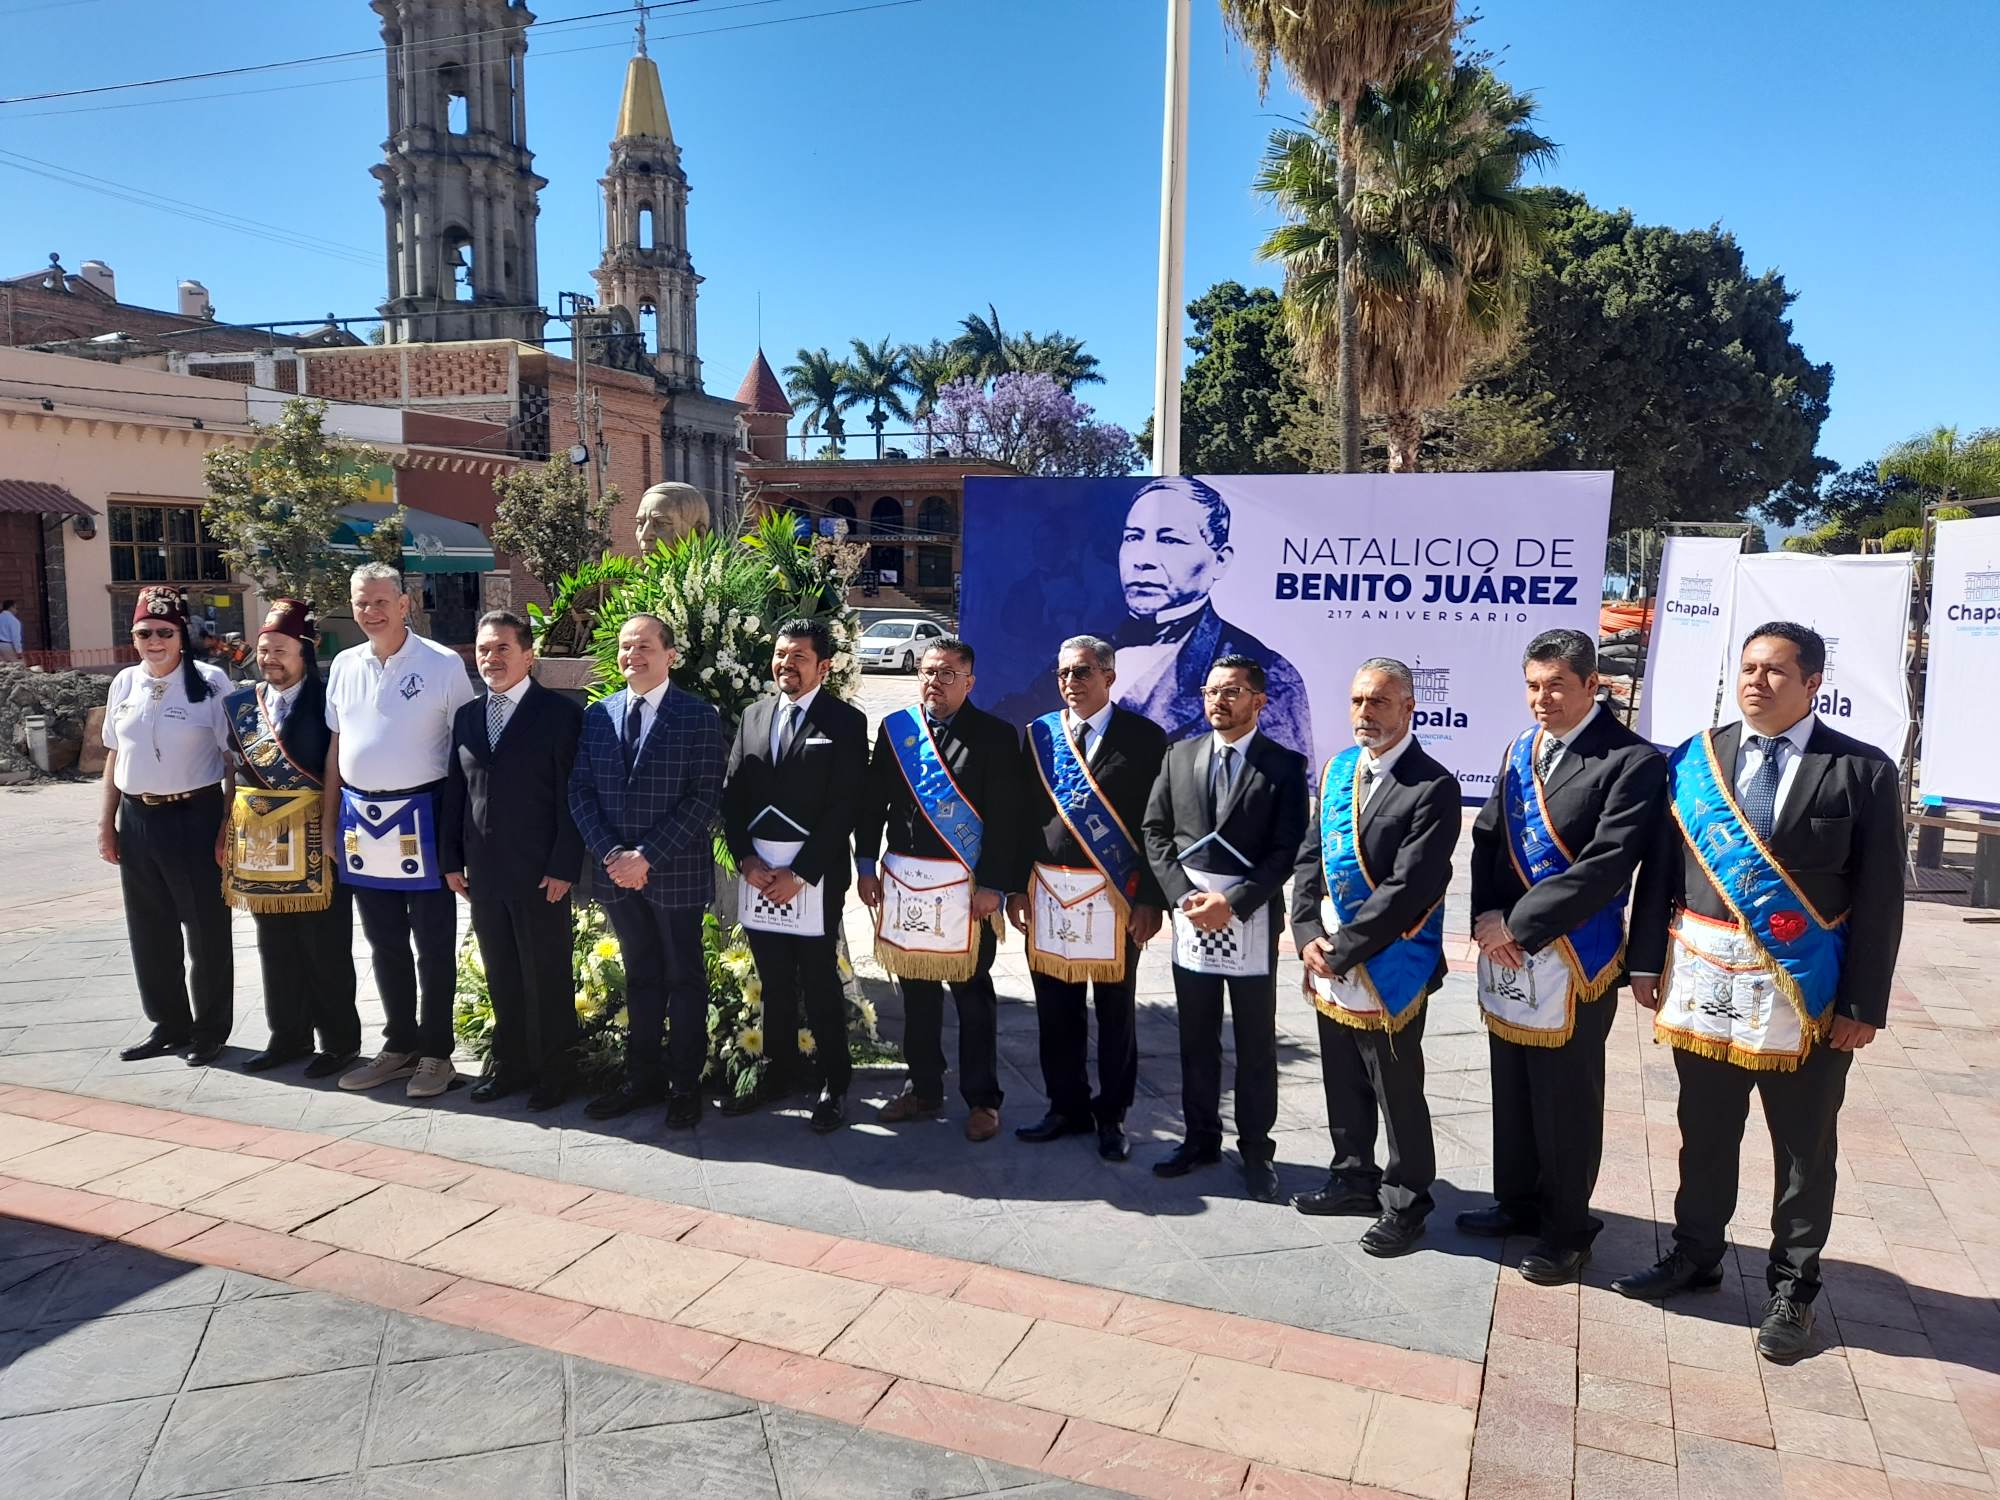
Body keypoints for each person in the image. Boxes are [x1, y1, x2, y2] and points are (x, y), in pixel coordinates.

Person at [1616, 622, 1904, 1363]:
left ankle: (1793, 1287)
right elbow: (1660, 871)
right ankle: (1695, 1254)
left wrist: (1864, 1005)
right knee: (1704, 1133)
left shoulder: (1862, 770)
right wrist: (1645, 962)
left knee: (1804, 1149)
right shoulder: (1695, 761)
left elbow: (1878, 899)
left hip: (1806, 996)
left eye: (1776, 672)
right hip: (1706, 984)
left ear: (1812, 684)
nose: (1757, 682)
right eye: (1748, 668)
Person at [1461, 629, 1666, 1284]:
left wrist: (1518, 925)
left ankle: (1568, 1229)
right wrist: (1485, 921)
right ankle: (1516, 1202)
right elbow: (1489, 838)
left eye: (1555, 685)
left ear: (1590, 686)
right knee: (1512, 1083)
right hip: (1509, 950)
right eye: (1532, 685)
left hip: (1575, 952)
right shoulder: (1521, 748)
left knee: (1564, 1098)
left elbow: (1607, 866)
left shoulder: (1631, 761)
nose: (1541, 698)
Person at [1289, 657, 1460, 1257]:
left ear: (1409, 709)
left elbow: (1411, 886)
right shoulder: (1339, 770)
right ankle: (1351, 1177)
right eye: (1359, 700)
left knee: (1396, 1089)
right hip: (1328, 956)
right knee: (1341, 1076)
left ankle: (1407, 1201)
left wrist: (1345, 950)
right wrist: (1306, 928)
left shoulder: (1433, 785)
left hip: (1390, 962)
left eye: (1380, 702)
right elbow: (1310, 858)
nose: (1365, 712)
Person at [1142, 654, 1309, 1202]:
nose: (1219, 701)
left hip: (1250, 923)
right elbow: (1156, 832)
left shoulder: (1283, 766)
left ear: (1258, 701)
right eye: (1212, 691)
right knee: (1195, 1039)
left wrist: (1233, 902)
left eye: (1232, 692)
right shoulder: (1178, 755)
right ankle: (1199, 1139)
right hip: (1191, 922)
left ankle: (1257, 1151)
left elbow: (1287, 849)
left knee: (1255, 1044)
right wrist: (1181, 897)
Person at [855, 636, 1022, 1142]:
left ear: (969, 682)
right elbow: (872, 804)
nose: (934, 681)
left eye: (947, 674)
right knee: (918, 996)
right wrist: (865, 865)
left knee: (973, 997)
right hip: (907, 888)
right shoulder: (897, 730)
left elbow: (1007, 822)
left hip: (966, 891)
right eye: (928, 672)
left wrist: (995, 885)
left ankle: (982, 1099)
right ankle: (923, 1087)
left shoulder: (994, 736)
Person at [1008, 635, 1167, 1162]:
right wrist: (1016, 887)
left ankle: (1113, 1116)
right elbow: (1023, 816)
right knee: (1055, 1010)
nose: (1070, 683)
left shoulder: (1145, 739)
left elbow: (1156, 827)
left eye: (1081, 673)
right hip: (1051, 893)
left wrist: (1151, 901)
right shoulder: (1039, 737)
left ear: (1109, 677)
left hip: (1116, 898)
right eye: (1062, 674)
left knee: (1116, 1013)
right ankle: (1065, 1106)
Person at [323, 562, 478, 1099]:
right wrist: (327, 827)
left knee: (433, 944)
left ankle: (437, 1052)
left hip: (425, 815)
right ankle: (399, 1044)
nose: (371, 612)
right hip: (361, 821)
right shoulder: (344, 664)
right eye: (362, 603)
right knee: (383, 941)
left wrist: (458, 838)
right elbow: (336, 747)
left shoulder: (441, 665)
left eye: (381, 602)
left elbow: (465, 752)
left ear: (405, 603)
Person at [570, 614, 726, 1129]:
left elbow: (705, 798)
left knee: (684, 978)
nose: (632, 656)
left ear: (670, 656)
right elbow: (581, 791)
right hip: (616, 875)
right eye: (624, 647)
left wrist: (648, 856)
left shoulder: (697, 715)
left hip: (674, 872)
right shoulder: (598, 716)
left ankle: (684, 1086)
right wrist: (613, 854)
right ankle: (641, 1081)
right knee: (640, 978)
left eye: (644, 647)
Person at [720, 617, 869, 1132]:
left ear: (823, 667)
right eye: (781, 655)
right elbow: (732, 796)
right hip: (760, 877)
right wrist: (745, 858)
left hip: (814, 880)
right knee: (774, 981)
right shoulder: (753, 716)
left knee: (820, 981)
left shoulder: (845, 722)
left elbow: (844, 807)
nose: (787, 664)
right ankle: (776, 1071)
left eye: (799, 657)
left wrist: (800, 873)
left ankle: (834, 1082)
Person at [441, 610, 585, 1112]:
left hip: (542, 871)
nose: (491, 658)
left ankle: (555, 1071)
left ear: (529, 655)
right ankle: (512, 1065)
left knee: (546, 972)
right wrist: (451, 858)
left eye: (502, 648)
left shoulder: (561, 714)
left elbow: (574, 796)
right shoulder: (467, 716)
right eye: (483, 649)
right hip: (485, 871)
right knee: (501, 970)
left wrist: (565, 864)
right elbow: (456, 792)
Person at [97, 586, 235, 1065]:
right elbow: (115, 754)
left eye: (164, 632)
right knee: (149, 929)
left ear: (182, 635)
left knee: (205, 928)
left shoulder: (212, 682)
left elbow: (232, 759)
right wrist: (106, 823)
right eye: (144, 632)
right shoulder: (124, 684)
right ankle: (168, 1024)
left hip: (193, 815)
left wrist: (226, 824)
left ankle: (210, 1029)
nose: (154, 641)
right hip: (137, 816)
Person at [222, 598, 360, 1077]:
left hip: (315, 836)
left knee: (325, 946)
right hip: (259, 841)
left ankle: (338, 1043)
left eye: (280, 649)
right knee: (273, 945)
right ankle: (287, 1036)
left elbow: (339, 771)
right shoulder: (244, 705)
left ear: (304, 652)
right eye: (264, 650)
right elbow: (232, 769)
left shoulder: (328, 704)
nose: (270, 658)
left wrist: (332, 833)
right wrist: (227, 825)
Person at [1110, 477, 1310, 759]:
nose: (1143, 558)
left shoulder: (1267, 672)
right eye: (1133, 537)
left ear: (1220, 560)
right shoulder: (1082, 659)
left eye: (1170, 539)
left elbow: (1285, 785)